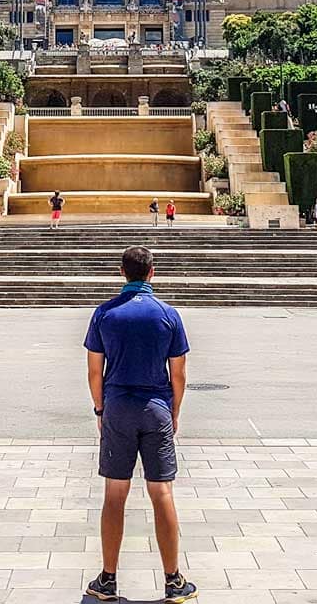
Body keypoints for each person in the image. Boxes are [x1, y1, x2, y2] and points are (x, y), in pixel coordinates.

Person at [84, 246, 196, 604]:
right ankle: (173, 581)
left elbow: (93, 371)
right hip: (156, 408)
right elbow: (178, 374)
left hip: (117, 407)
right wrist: (174, 412)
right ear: (152, 272)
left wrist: (101, 410)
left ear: (122, 272)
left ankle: (108, 580)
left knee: (115, 494)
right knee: (161, 492)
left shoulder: (104, 315)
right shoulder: (168, 315)